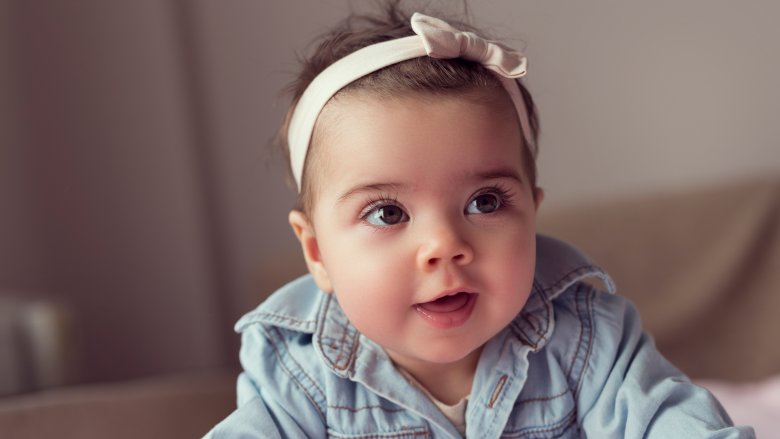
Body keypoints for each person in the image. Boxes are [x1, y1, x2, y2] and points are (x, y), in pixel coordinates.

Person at [205, 3, 754, 438]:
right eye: (388, 212)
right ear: (318, 252)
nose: (444, 245)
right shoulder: (297, 375)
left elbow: (668, 420)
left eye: (485, 202)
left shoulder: (588, 339)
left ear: (532, 213)